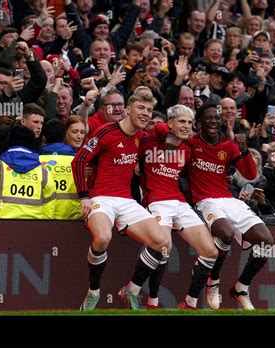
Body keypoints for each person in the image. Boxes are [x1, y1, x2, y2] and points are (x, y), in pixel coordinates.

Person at [157, 104, 274, 310]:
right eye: (208, 118)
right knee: (226, 233)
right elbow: (162, 131)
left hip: (228, 199)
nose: (213, 121)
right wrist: (169, 137)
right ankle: (214, 281)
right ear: (199, 122)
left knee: (266, 241)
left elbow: (250, 174)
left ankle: (241, 288)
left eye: (216, 118)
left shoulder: (228, 145)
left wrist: (244, 149)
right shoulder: (191, 143)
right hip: (205, 201)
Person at [71, 93, 168, 310]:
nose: (145, 114)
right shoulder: (106, 131)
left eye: (149, 110)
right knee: (103, 238)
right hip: (101, 198)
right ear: (128, 109)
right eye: (141, 108)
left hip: (126, 200)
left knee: (162, 243)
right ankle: (93, 292)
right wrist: (84, 197)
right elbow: (79, 161)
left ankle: (131, 289)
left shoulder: (141, 136)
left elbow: (166, 139)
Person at [139, 104, 218, 309]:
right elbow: (156, 128)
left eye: (190, 123)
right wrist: (165, 133)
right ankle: (152, 300)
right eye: (182, 121)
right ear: (170, 122)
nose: (186, 126)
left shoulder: (188, 148)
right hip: (156, 201)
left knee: (210, 251)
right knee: (164, 247)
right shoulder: (149, 140)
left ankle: (190, 302)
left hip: (179, 202)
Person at [0, 125, 56, 219]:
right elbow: (49, 208)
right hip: (32, 230)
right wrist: (43, 229)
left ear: (8, 141)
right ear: (32, 143)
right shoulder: (43, 172)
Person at [40, 119, 81, 220]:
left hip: (44, 217)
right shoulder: (78, 161)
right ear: (65, 137)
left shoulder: (36, 161)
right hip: (73, 217)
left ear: (44, 138)